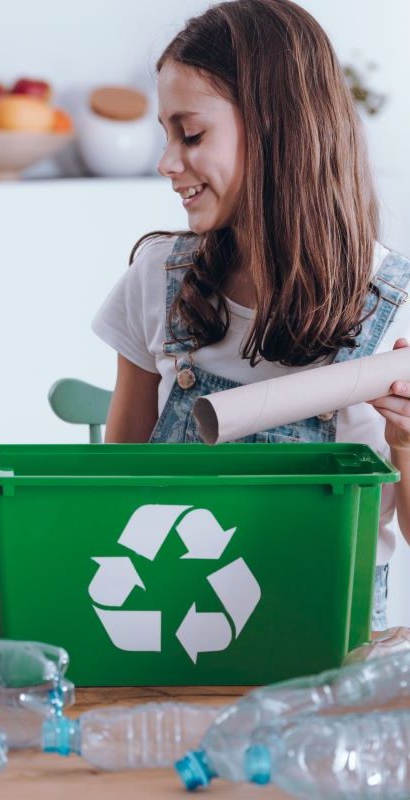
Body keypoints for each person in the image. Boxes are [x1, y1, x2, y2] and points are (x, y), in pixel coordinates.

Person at [92, 0, 410, 629]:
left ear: (274, 129)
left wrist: (404, 440)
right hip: (163, 632)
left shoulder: (393, 310)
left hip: (325, 654)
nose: (166, 163)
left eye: (191, 133)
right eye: (164, 133)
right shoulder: (159, 281)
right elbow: (115, 493)